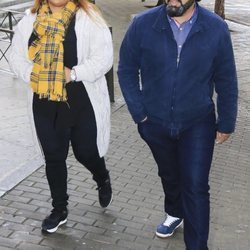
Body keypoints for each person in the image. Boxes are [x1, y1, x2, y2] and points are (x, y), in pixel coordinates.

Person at [118, 0, 237, 249]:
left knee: (195, 185)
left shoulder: (215, 28)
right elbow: (127, 69)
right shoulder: (142, 24)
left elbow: (226, 78)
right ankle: (174, 212)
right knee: (170, 174)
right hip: (154, 122)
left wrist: (226, 122)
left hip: (198, 122)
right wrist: (139, 113)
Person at [9, 0, 113, 234]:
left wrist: (73, 73)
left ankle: (102, 176)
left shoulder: (89, 17)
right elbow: (16, 58)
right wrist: (33, 74)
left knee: (86, 152)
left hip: (81, 99)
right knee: (54, 158)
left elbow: (104, 59)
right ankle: (59, 209)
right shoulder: (29, 21)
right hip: (44, 100)